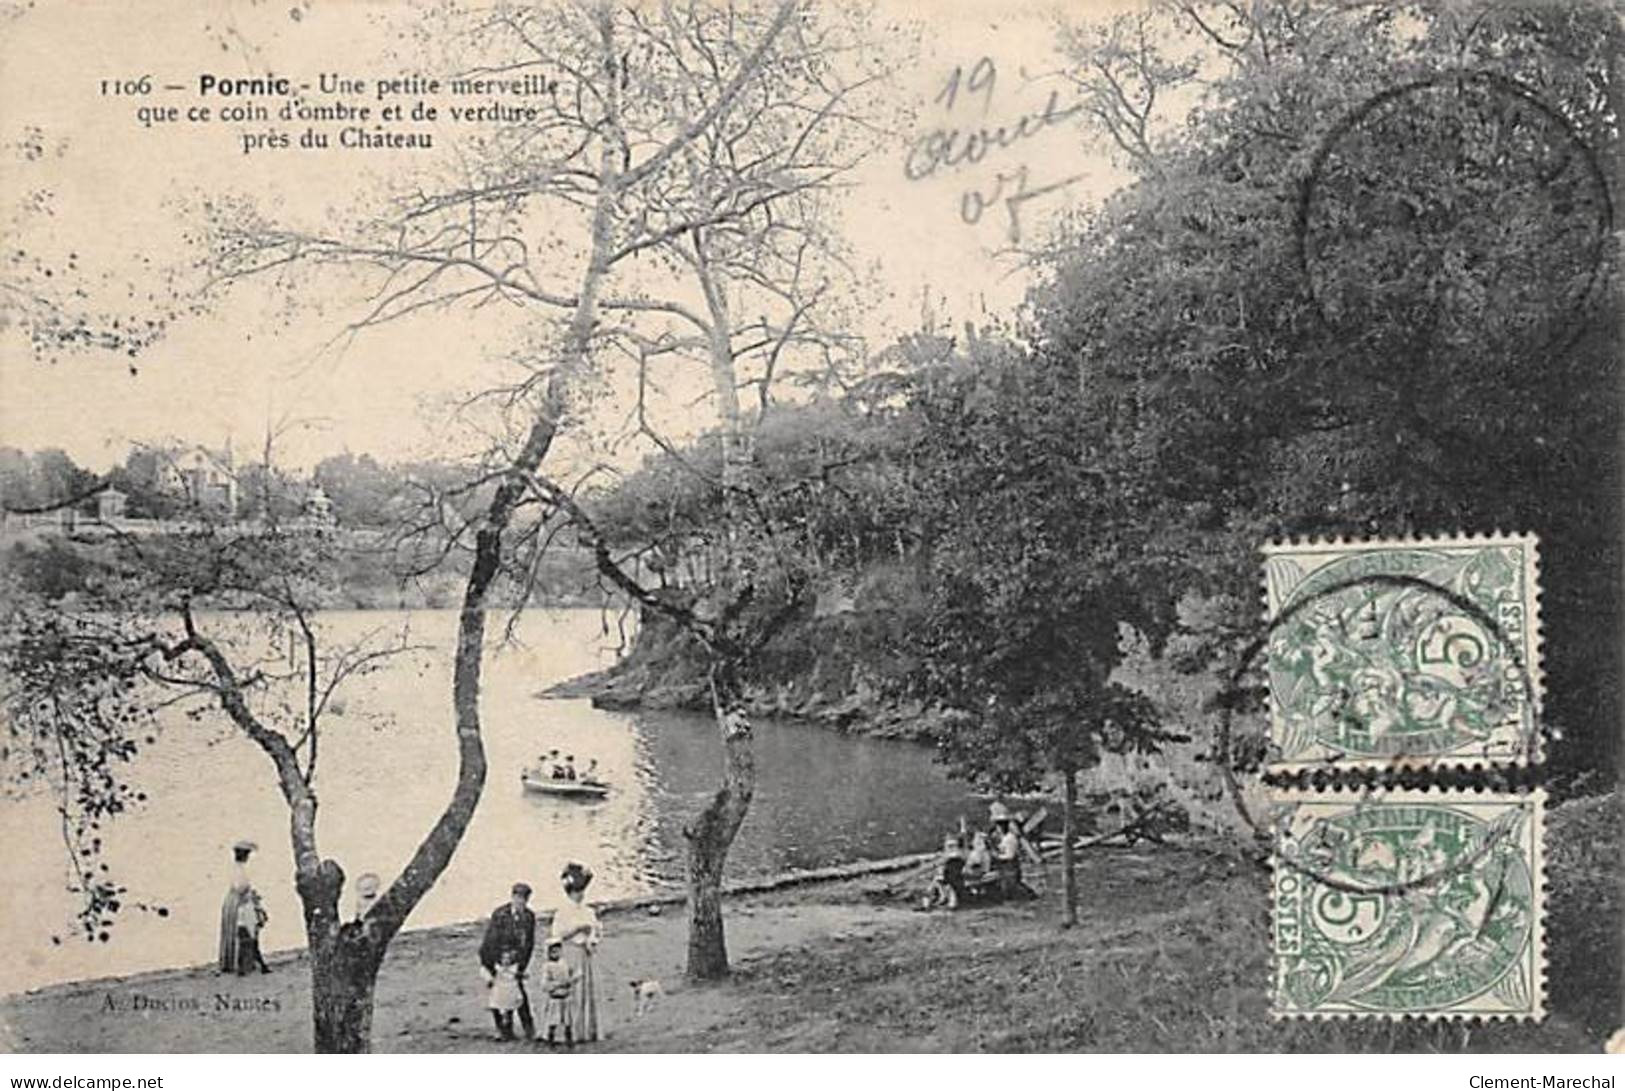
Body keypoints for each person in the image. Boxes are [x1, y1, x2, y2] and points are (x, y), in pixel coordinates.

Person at [549, 862, 600, 1043]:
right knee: (571, 991)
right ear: (570, 893)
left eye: (582, 893)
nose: (580, 896)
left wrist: (591, 938)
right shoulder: (562, 912)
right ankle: (570, 1030)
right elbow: (557, 935)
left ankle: (586, 1030)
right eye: (577, 893)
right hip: (569, 953)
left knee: (585, 992)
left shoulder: (587, 910)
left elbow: (595, 930)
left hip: (584, 954)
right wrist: (578, 928)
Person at [478, 882, 537, 1040]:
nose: (520, 902)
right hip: (496, 958)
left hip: (515, 961)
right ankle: (502, 1028)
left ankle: (528, 1027)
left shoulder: (529, 917)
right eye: (517, 898)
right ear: (512, 897)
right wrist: (492, 965)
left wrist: (522, 966)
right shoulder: (500, 914)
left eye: (524, 899)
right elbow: (491, 940)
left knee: (518, 994)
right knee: (498, 996)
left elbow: (530, 943)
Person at [218, 840, 267, 974]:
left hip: (234, 900)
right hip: (239, 901)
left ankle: (242, 962)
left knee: (242, 930)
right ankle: (244, 964)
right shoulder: (239, 870)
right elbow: (240, 887)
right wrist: (251, 895)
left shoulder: (237, 869)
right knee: (247, 931)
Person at [537, 940, 576, 1047]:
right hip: (555, 997)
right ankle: (551, 1039)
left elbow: (570, 976)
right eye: (553, 952)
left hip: (565, 997)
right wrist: (557, 985)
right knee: (553, 1021)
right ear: (548, 953)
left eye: (558, 951)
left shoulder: (564, 963)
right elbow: (544, 985)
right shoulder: (547, 966)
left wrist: (570, 980)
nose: (556, 954)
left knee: (568, 1021)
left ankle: (569, 1040)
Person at [483, 948, 526, 1041]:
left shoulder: (514, 969)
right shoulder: (497, 968)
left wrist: (520, 976)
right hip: (499, 991)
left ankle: (508, 1032)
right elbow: (488, 972)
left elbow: (521, 976)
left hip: (510, 991)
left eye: (508, 958)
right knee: (498, 1009)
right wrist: (490, 980)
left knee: (509, 1011)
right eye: (504, 958)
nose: (506, 961)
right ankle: (500, 1031)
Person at [923, 834, 965, 910]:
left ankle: (950, 902)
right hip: (946, 876)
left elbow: (948, 858)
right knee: (934, 884)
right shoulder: (947, 856)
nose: (951, 848)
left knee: (944, 884)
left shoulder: (957, 855)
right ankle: (928, 904)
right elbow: (938, 863)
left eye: (953, 846)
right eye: (949, 846)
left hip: (954, 877)